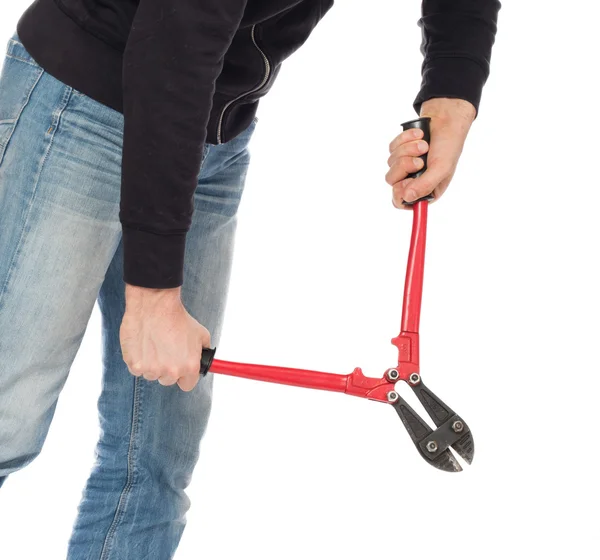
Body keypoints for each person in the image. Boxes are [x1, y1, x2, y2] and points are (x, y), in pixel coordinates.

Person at [0, 0, 501, 557]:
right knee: (7, 419)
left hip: (211, 132)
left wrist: (453, 93)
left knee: (154, 465)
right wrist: (154, 292)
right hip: (82, 103)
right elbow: (178, 33)